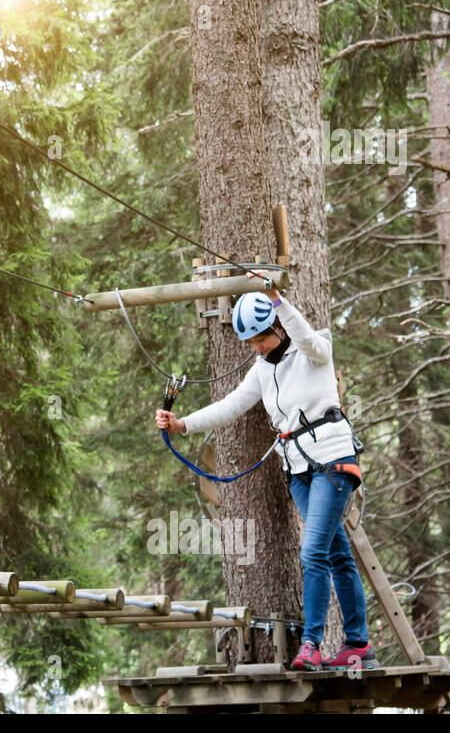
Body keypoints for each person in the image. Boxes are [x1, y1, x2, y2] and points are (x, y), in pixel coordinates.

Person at [154, 280, 373, 672]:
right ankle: (358, 645)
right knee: (336, 553)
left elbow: (307, 338)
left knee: (312, 553)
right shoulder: (261, 369)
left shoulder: (314, 350)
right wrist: (181, 424)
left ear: (277, 326)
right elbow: (231, 405)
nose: (255, 346)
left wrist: (277, 299)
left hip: (333, 463)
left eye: (260, 338)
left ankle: (311, 645)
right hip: (299, 471)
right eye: (250, 341)